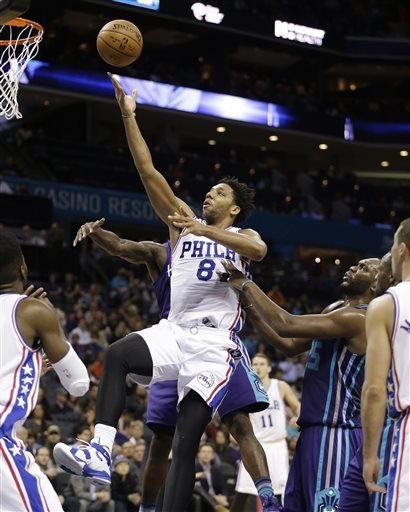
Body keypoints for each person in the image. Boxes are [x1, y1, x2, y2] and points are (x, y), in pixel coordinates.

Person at [53, 72, 274, 512]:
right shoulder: (180, 224)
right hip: (175, 331)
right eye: (208, 191)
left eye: (218, 193)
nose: (208, 195)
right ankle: (100, 450)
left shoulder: (241, 232)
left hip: (215, 345)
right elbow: (147, 169)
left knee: (187, 440)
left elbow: (258, 249)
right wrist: (127, 115)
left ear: (232, 208)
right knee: (117, 354)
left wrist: (207, 231)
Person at [68, 219, 280, 512]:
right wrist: (96, 233)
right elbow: (121, 246)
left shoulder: (230, 246)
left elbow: (255, 256)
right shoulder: (163, 252)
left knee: (239, 424)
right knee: (163, 438)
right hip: (170, 342)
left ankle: (268, 499)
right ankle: (147, 506)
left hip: (216, 344)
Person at [220, 256, 390, 512]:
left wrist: (245, 283)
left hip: (336, 432)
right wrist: (250, 308)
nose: (353, 267)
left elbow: (286, 324)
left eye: (364, 268)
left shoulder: (360, 319)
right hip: (312, 431)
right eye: (356, 264)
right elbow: (288, 345)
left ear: (376, 286)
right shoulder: (335, 310)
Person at [0, 227, 90, 512]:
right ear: (23, 269)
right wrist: (55, 321)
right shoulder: (33, 311)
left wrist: (30, 372)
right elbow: (79, 384)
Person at [338, 253, 396, 512]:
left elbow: (374, 390)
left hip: (388, 430)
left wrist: (246, 288)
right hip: (375, 432)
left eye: (382, 269)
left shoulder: (380, 309)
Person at [362, 219, 410, 512]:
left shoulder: (387, 304)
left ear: (402, 250)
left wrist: (370, 454)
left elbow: (375, 390)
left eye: (392, 245)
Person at [233, 353, 300, 511]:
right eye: (255, 364)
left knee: (279, 492)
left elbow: (297, 406)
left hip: (277, 445)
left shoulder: (280, 386)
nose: (258, 367)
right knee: (243, 491)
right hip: (255, 445)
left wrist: (298, 417)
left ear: (269, 368)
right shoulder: (246, 388)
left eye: (262, 364)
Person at [194, 442, 229, 512]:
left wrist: (224, 497)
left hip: (218, 499)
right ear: (198, 455)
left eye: (209, 452)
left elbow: (223, 487)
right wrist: (215, 498)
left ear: (213, 456)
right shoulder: (194, 469)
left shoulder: (216, 470)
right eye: (203, 452)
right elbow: (199, 489)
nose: (206, 454)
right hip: (203, 500)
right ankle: (217, 507)